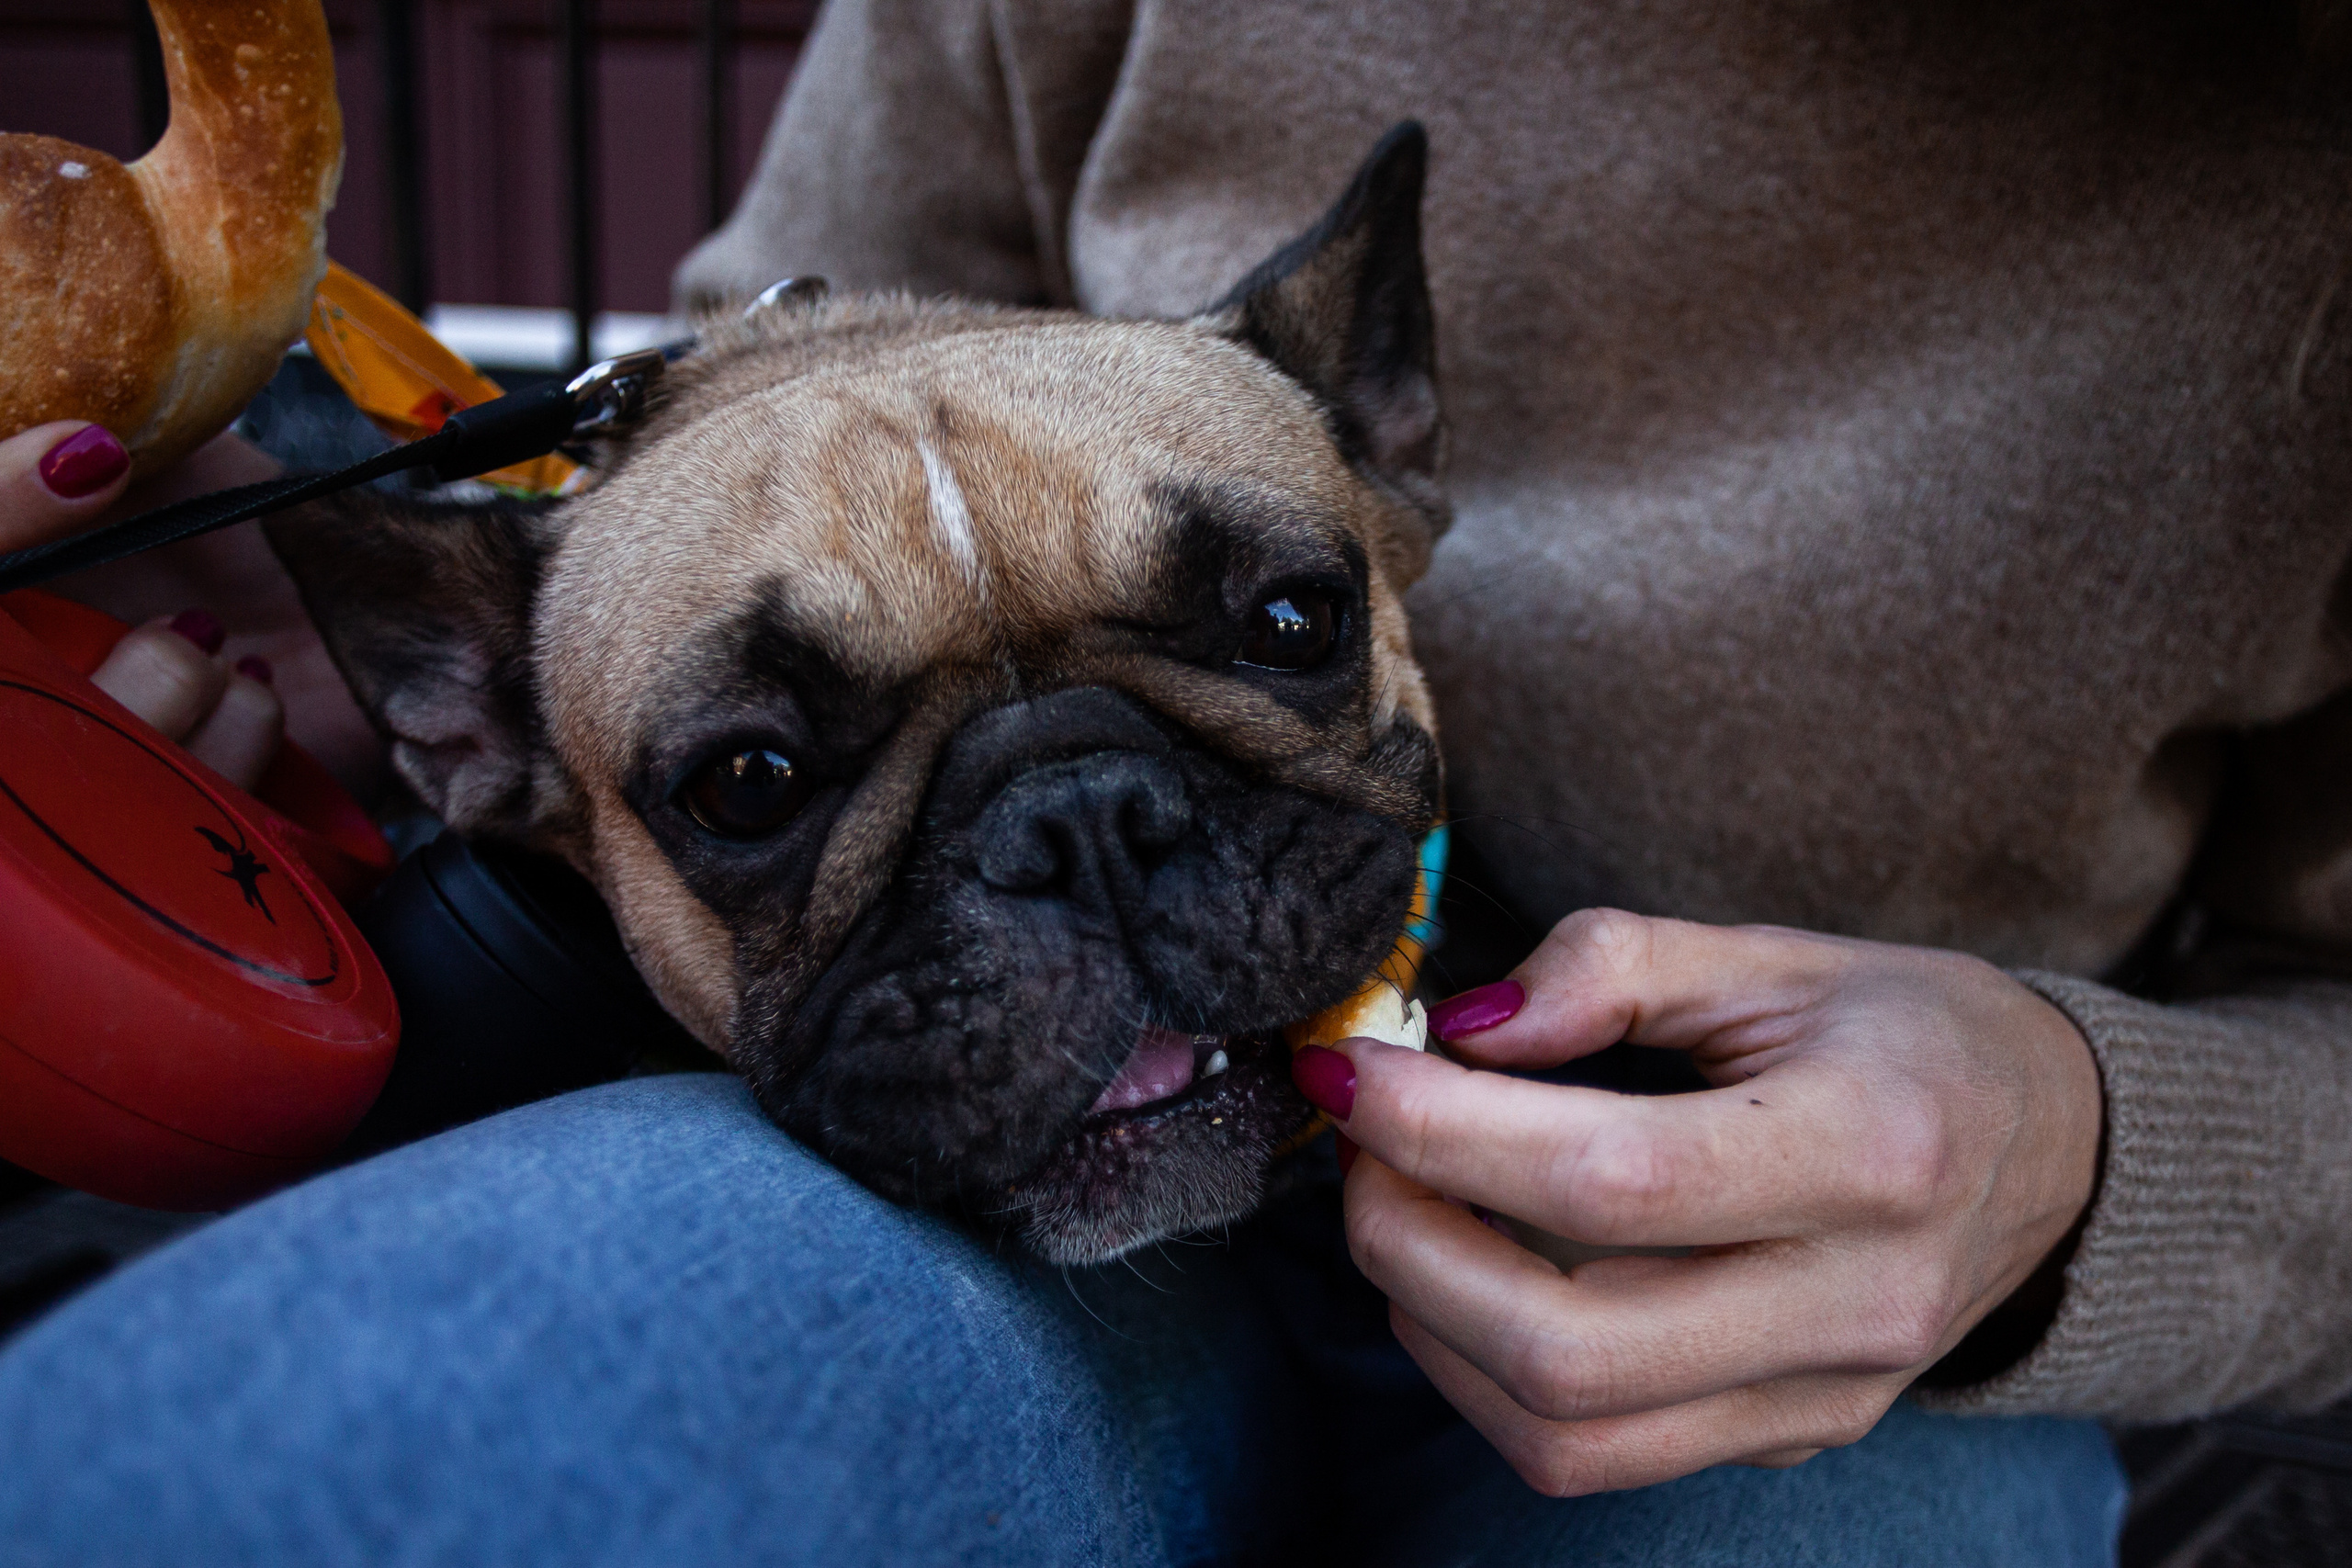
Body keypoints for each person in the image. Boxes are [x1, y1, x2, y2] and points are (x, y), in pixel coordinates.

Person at [8, 0, 2344, 1557]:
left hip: (1812, 1284)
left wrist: (2072, 1150)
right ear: (480, 728)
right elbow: (766, 369)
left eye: (1275, 625)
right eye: (753, 774)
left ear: (1381, 452)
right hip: (897, 1201)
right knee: (341, 1444)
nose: (1082, 848)